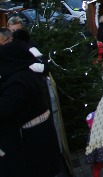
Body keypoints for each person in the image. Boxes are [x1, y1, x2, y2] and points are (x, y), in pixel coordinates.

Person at [0, 32, 62, 177]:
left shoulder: (18, 82)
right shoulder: (25, 75)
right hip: (40, 142)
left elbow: (5, 109)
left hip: (32, 145)